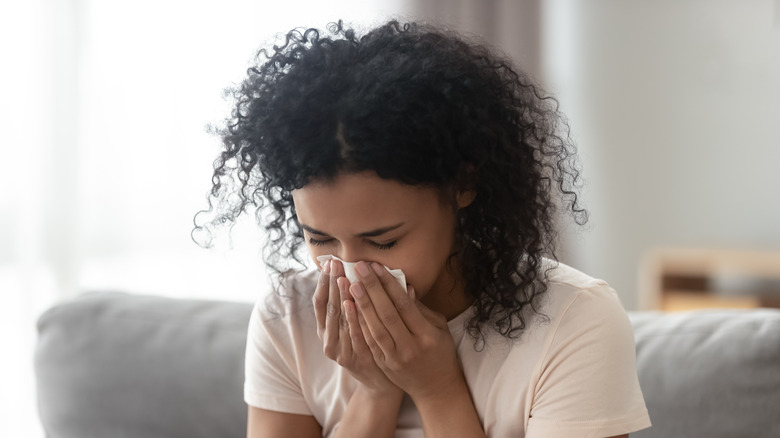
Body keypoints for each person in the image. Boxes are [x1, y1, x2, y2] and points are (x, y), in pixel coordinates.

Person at [196, 19, 651, 438]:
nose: (352, 270)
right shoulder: (287, 320)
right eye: (320, 239)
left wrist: (438, 390)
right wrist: (374, 393)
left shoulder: (572, 321)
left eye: (384, 240)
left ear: (463, 186)